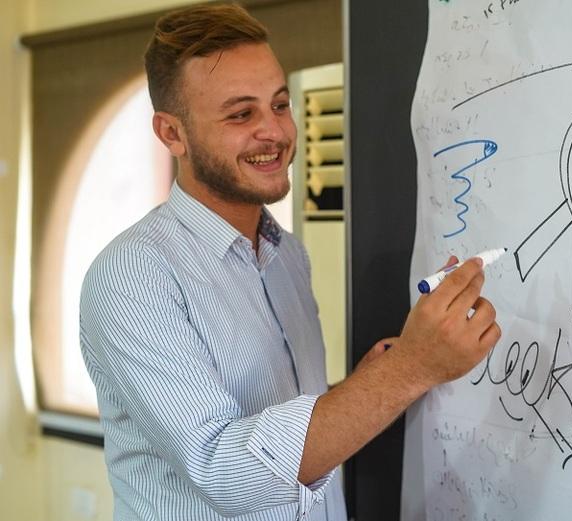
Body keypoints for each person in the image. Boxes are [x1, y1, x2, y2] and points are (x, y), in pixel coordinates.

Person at [79, 3, 501, 520]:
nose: (276, 132)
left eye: (280, 105)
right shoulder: (132, 276)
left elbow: (280, 421)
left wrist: (368, 384)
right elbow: (226, 471)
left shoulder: (287, 256)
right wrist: (410, 369)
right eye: (241, 114)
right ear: (172, 134)